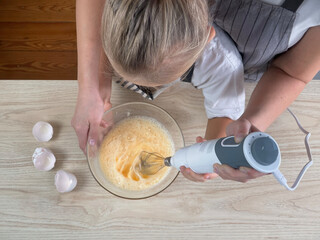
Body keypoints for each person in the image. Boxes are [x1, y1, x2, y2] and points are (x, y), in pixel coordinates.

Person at [72, 0, 320, 183]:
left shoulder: (221, 65)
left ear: (206, 38)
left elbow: (292, 72)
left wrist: (221, 145)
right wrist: (91, 87)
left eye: (170, 77)